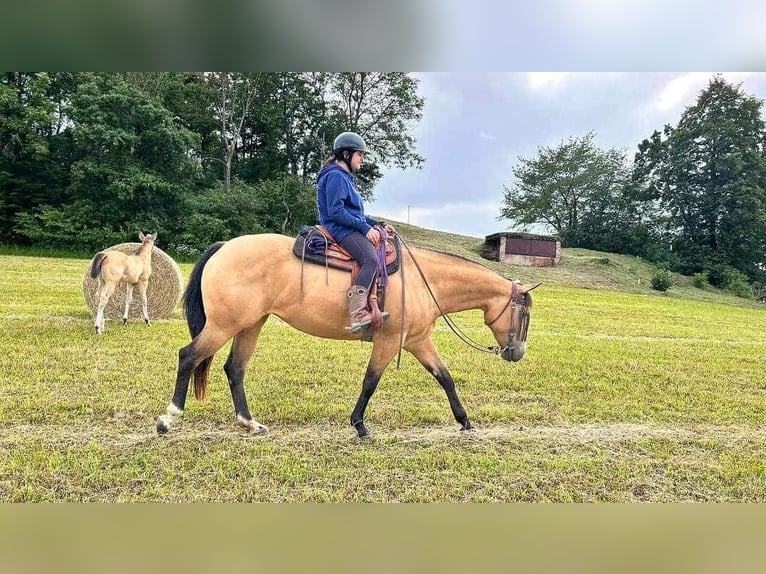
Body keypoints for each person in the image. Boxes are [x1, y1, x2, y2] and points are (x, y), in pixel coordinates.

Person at [316, 131, 394, 332]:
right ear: (346, 155)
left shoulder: (345, 177)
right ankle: (358, 313)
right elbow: (336, 211)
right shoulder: (335, 176)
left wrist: (378, 224)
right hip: (340, 230)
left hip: (348, 226)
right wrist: (364, 228)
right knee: (371, 260)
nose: (363, 159)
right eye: (360, 155)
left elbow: (357, 214)